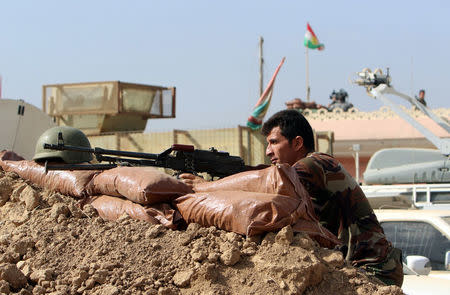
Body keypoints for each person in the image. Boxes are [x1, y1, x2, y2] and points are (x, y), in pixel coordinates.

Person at [180, 109, 403, 287]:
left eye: (274, 142)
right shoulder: (301, 178)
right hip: (353, 265)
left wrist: (204, 186)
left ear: (297, 143)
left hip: (374, 269)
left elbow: (273, 181)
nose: (268, 151)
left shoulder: (318, 163)